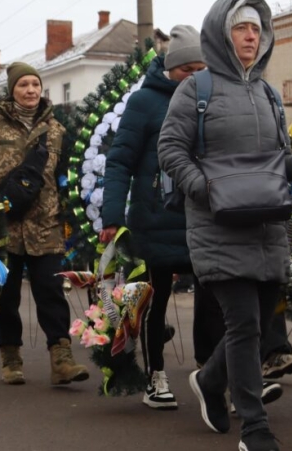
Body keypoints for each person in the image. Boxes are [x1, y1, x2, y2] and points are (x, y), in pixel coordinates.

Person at [158, 0, 292, 451]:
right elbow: (170, 150)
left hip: (266, 226)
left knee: (254, 329)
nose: (251, 37)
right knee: (244, 324)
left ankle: (211, 381)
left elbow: (274, 166)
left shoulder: (269, 93)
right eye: (241, 28)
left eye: (256, 29)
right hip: (218, 226)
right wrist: (205, 188)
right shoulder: (197, 90)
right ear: (220, 33)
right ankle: (255, 428)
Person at [0, 62, 89, 386]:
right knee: (5, 293)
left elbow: (69, 175)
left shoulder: (56, 129)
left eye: (35, 84)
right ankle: (10, 357)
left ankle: (61, 359)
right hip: (2, 226)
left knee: (51, 289)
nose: (31, 90)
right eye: (23, 85)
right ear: (12, 90)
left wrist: (70, 210)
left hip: (45, 225)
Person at [101, 25, 210, 410]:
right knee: (155, 296)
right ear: (171, 67)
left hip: (203, 215)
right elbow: (120, 161)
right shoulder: (145, 102)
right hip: (154, 216)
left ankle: (211, 371)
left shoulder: (213, 97)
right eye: (187, 70)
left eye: (202, 69)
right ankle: (155, 376)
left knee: (213, 294)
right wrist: (112, 216)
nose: (195, 77)